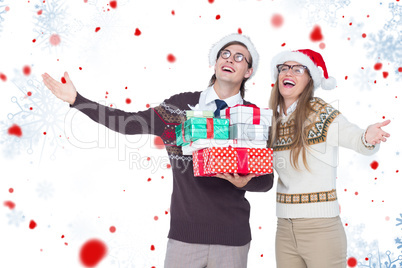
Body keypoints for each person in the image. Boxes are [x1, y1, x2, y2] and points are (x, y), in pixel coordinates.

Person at [42, 33, 274, 268]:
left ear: (248, 72)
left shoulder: (255, 117)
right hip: (185, 237)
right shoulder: (179, 107)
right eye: (225, 54)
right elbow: (128, 123)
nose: (230, 60)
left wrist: (243, 182)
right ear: (215, 63)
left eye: (239, 57)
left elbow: (266, 180)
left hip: (232, 239)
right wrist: (77, 100)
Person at [268, 49, 390, 268]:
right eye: (284, 68)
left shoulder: (320, 113)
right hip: (284, 229)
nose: (289, 73)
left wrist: (367, 137)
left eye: (298, 69)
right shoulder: (273, 120)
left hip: (320, 229)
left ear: (310, 79)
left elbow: (353, 136)